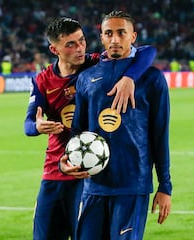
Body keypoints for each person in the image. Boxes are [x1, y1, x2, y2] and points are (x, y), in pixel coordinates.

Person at [24, 16, 157, 240]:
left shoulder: (96, 64)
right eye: (71, 44)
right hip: (56, 169)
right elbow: (28, 124)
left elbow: (148, 52)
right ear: (54, 49)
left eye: (82, 41)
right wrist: (37, 126)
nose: (80, 48)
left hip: (90, 172)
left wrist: (129, 77)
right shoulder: (43, 80)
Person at [60, 11, 172, 240]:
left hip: (132, 184)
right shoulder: (86, 78)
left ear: (133, 37)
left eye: (122, 33)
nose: (115, 39)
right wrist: (67, 159)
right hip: (94, 186)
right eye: (108, 33)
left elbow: (160, 134)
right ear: (101, 38)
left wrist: (165, 186)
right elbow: (78, 131)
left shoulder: (152, 78)